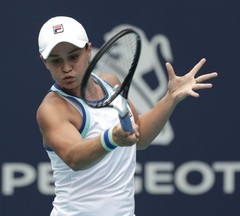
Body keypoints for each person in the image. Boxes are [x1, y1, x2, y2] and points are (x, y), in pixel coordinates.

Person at [36, 16, 218, 216]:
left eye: (73, 56)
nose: (66, 67)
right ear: (44, 62)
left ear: (88, 50)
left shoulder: (110, 82)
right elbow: (75, 157)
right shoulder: (52, 108)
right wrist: (112, 137)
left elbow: (140, 137)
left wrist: (170, 98)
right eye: (56, 61)